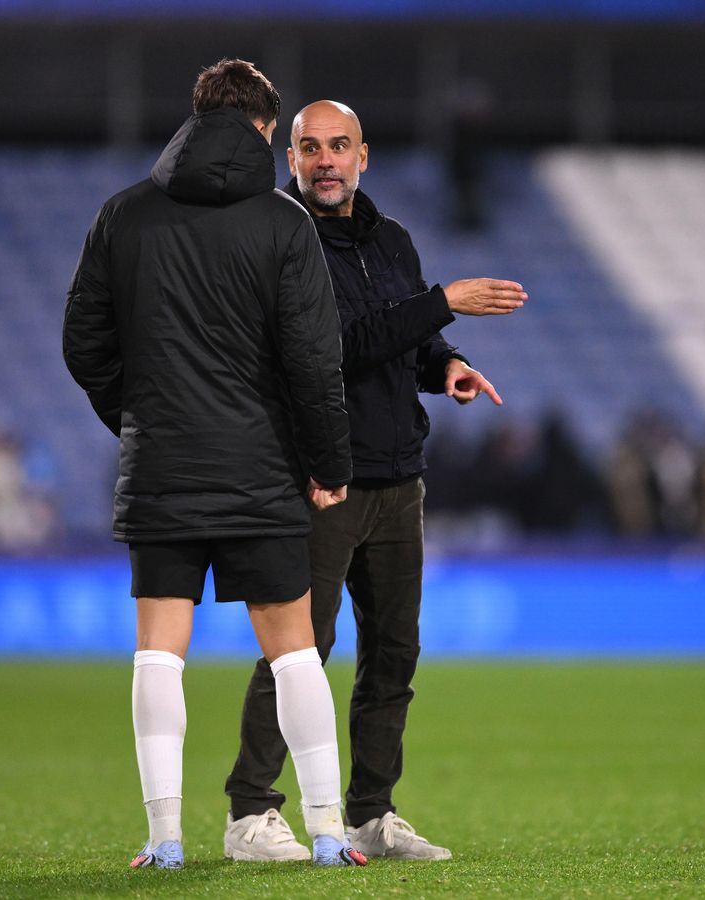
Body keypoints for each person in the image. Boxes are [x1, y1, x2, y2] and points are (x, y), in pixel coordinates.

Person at [63, 61, 365, 869]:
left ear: (196, 116)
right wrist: (327, 461)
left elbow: (83, 346)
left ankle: (164, 841)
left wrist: (139, 418)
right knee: (293, 649)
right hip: (261, 469)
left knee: (159, 649)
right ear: (268, 128)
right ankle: (330, 832)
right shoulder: (283, 222)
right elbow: (313, 361)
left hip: (162, 463)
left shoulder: (123, 215)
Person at [223, 99, 526, 863]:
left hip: (398, 480)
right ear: (289, 160)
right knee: (300, 650)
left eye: (339, 146)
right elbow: (329, 350)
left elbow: (406, 335)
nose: (326, 160)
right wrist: (442, 303)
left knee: (394, 655)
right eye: (310, 148)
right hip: (321, 480)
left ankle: (370, 815)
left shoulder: (391, 240)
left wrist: (444, 364)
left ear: (365, 156)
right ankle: (250, 813)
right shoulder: (278, 240)